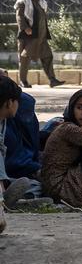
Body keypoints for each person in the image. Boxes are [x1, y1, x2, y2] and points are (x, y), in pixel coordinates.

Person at [14, 0, 64, 89]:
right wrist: (25, 28)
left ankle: (52, 80)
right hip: (29, 36)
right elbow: (19, 16)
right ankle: (23, 81)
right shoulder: (22, 1)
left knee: (47, 56)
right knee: (25, 58)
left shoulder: (40, 0)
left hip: (41, 35)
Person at [0, 77, 34, 214]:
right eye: (17, 101)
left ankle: (13, 201)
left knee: (30, 184)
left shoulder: (3, 122)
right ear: (9, 103)